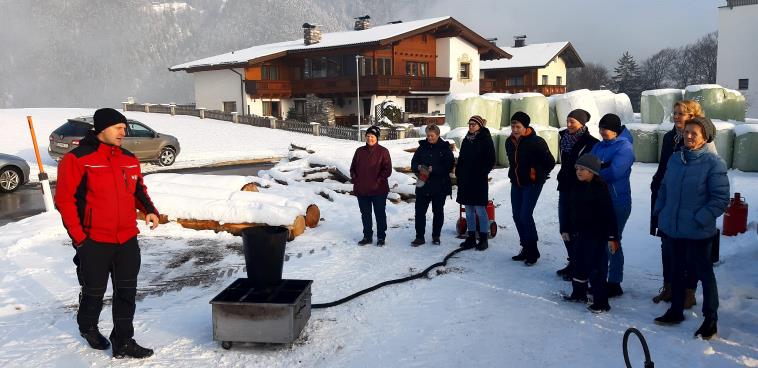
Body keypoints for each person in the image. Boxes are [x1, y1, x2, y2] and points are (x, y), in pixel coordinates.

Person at [55, 108, 159, 359]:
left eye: (125, 128)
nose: (124, 132)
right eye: (118, 127)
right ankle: (87, 326)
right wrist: (80, 239)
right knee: (94, 290)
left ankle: (123, 340)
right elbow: (64, 201)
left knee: (127, 292)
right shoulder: (78, 159)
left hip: (126, 239)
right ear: (102, 128)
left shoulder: (128, 158)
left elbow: (138, 189)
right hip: (94, 240)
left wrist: (149, 210)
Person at [653, 116, 729, 340]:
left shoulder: (714, 163)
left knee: (704, 274)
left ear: (705, 137)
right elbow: (664, 187)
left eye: (694, 133)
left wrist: (700, 218)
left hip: (698, 231)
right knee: (676, 270)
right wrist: (660, 211)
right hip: (673, 228)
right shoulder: (676, 159)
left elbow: (720, 198)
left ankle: (710, 319)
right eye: (686, 132)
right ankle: (676, 310)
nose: (688, 136)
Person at [650, 100, 715, 307]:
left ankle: (689, 291)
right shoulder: (670, 137)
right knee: (666, 245)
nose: (677, 117)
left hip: (690, 203)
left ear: (693, 116)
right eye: (675, 113)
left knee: (688, 250)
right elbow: (663, 166)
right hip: (668, 197)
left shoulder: (703, 140)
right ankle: (669, 286)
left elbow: (710, 173)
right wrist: (656, 186)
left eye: (682, 113)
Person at [561, 153, 618, 313]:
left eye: (583, 169)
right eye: (577, 168)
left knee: (596, 268)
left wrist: (612, 237)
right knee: (578, 264)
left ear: (593, 172)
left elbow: (609, 215)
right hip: (577, 234)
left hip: (595, 236)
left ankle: (601, 302)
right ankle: (578, 293)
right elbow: (568, 209)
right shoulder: (575, 187)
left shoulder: (600, 190)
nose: (579, 171)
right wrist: (565, 228)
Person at [590, 113, 634, 297]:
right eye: (600, 128)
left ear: (615, 130)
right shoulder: (598, 146)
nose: (602, 132)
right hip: (599, 200)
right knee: (599, 240)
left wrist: (595, 171)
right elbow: (586, 165)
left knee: (612, 240)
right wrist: (598, 167)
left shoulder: (625, 146)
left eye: (605, 128)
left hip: (617, 201)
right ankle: (600, 277)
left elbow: (616, 171)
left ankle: (615, 282)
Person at [506, 111, 556, 265]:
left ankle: (533, 250)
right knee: (516, 214)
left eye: (518, 126)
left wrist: (538, 174)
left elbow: (550, 162)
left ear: (525, 127)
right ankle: (525, 247)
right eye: (513, 125)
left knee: (525, 215)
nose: (515, 129)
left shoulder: (536, 142)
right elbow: (512, 162)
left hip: (532, 183)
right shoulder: (509, 142)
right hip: (516, 182)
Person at [556, 109, 599, 279]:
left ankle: (580, 265)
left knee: (576, 228)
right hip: (565, 186)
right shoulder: (564, 138)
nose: (568, 125)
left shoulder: (591, 142)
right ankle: (573, 261)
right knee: (564, 226)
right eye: (567, 121)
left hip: (580, 189)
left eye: (572, 122)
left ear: (582, 123)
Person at [456, 115, 496, 251]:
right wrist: (459, 173)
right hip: (466, 179)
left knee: (480, 209)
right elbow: (461, 158)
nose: (471, 126)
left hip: (478, 179)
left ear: (480, 126)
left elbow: (491, 159)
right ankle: (471, 237)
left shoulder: (485, 139)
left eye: (474, 124)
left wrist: (482, 172)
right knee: (468, 210)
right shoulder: (466, 140)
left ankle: (483, 238)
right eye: (470, 124)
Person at [411, 124, 454, 246]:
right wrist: (418, 167)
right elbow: (414, 163)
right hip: (423, 185)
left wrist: (434, 169)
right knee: (419, 212)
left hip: (439, 186)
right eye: (428, 135)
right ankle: (419, 237)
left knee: (438, 212)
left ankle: (436, 236)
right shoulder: (422, 147)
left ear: (438, 135)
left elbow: (449, 166)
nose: (429, 138)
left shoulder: (445, 148)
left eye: (432, 135)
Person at [350, 125, 392, 246]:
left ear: (377, 137)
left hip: (378, 190)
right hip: (362, 190)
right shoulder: (359, 151)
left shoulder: (383, 151)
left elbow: (387, 170)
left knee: (380, 214)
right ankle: (367, 236)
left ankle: (381, 237)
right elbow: (353, 168)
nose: (369, 138)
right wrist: (355, 179)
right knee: (365, 215)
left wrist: (377, 181)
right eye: (368, 136)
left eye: (372, 136)